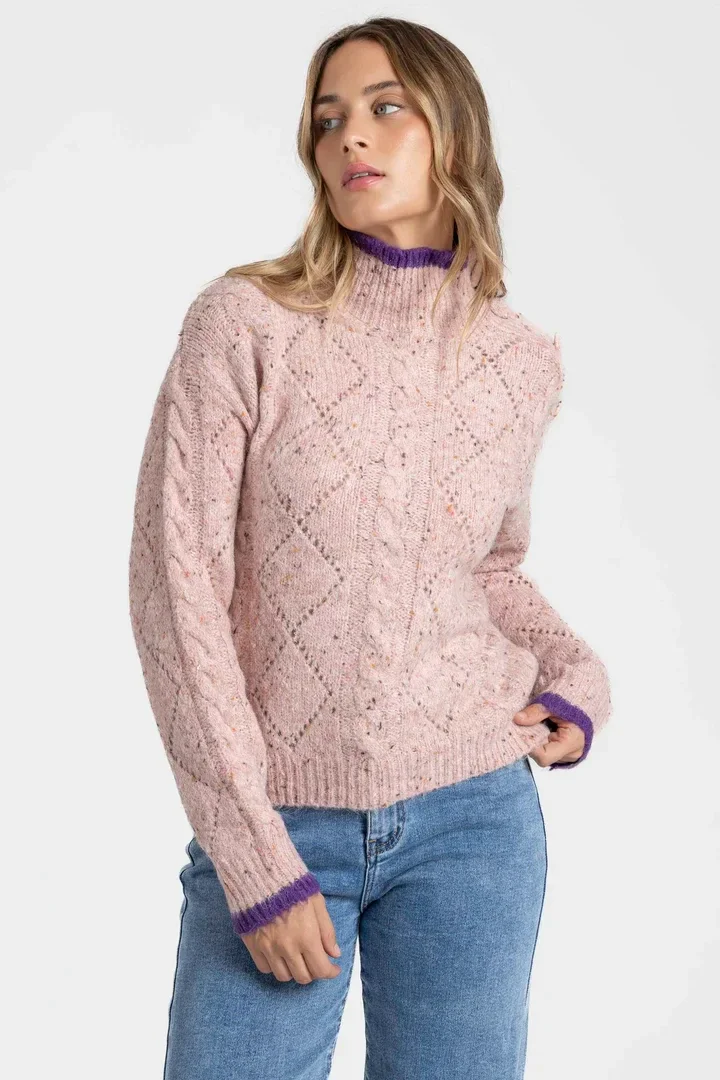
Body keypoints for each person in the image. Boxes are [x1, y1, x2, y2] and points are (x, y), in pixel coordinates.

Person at [128, 16, 612, 1080]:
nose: (351, 135)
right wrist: (253, 856)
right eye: (329, 117)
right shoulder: (244, 324)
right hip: (279, 819)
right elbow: (176, 592)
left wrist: (576, 678)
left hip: (476, 821)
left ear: (454, 131)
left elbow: (487, 572)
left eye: (387, 107)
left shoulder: (519, 360)